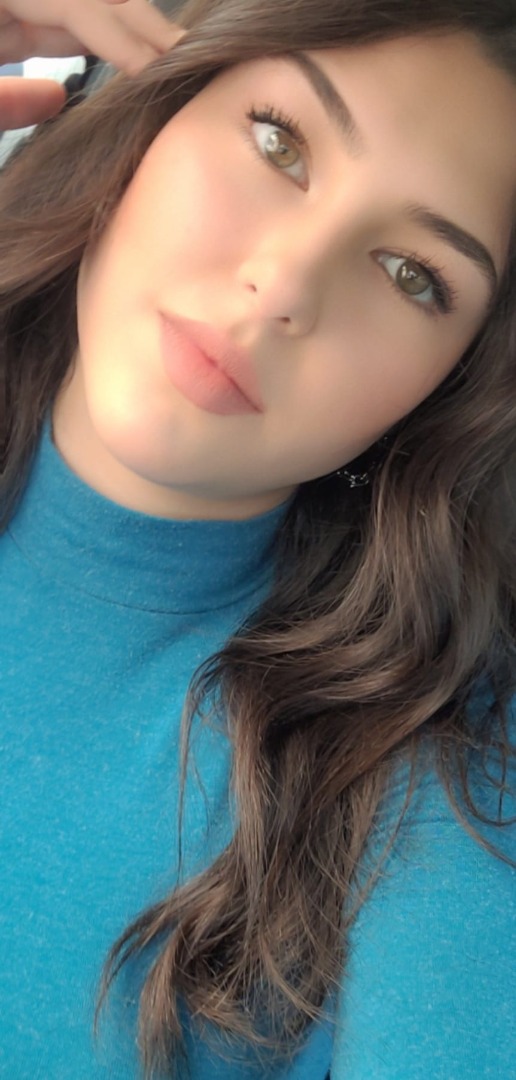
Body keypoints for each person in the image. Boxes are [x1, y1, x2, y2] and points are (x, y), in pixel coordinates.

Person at [1, 0, 515, 1077]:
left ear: (453, 389)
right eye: (279, 142)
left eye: (412, 274)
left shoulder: (436, 786)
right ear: (152, 103)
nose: (281, 286)